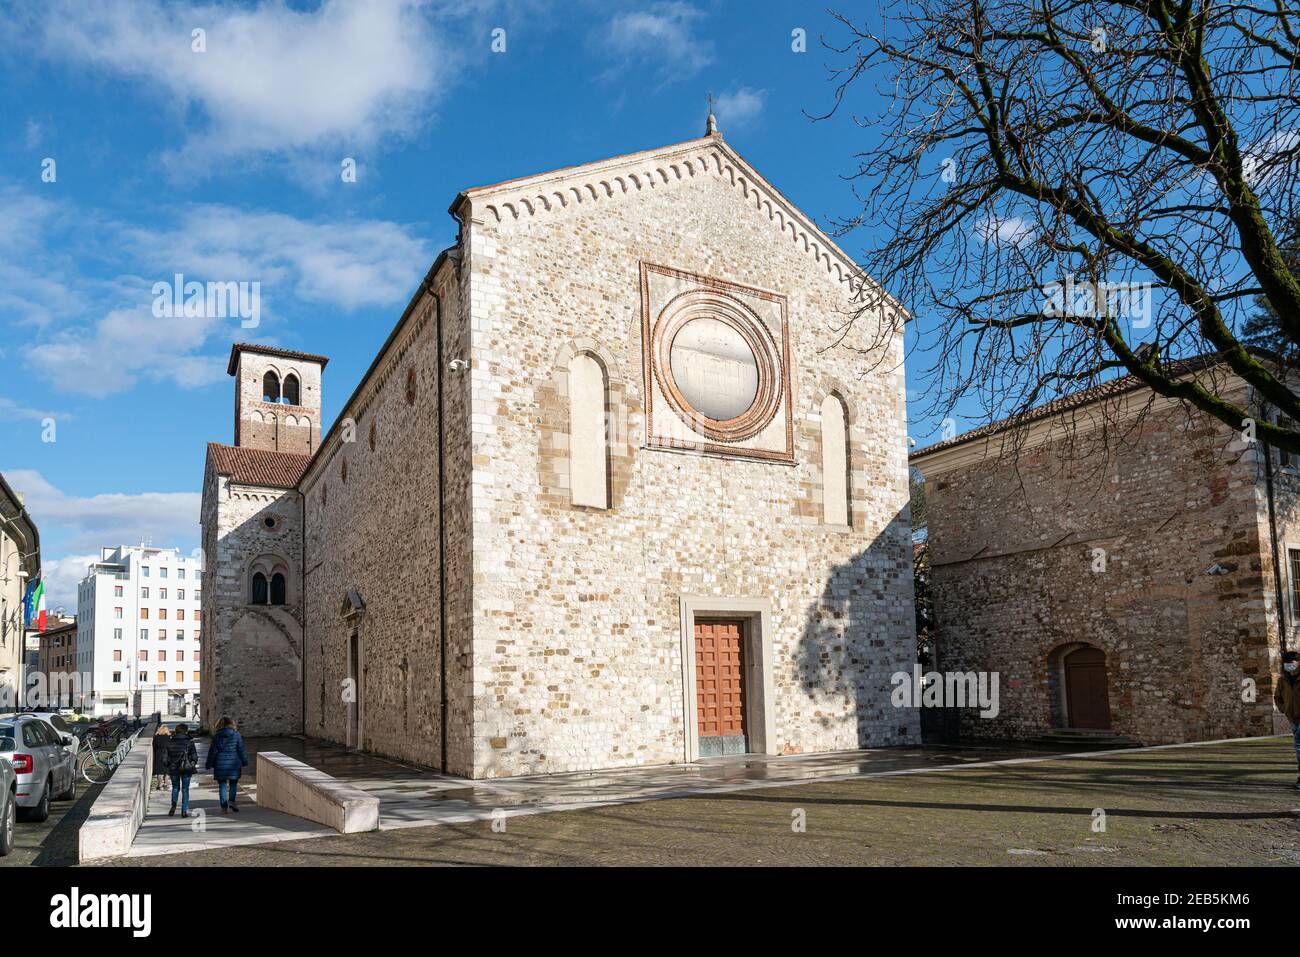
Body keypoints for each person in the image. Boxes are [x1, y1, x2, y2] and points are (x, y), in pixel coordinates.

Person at [206, 715, 248, 813]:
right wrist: (244, 761)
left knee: (222, 785)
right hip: (234, 764)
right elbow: (241, 749)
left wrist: (209, 764)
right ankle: (232, 801)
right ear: (231, 724)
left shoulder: (217, 736)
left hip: (220, 764)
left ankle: (224, 807)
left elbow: (212, 752)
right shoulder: (236, 735)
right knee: (233, 783)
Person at [1274, 650, 1300, 789]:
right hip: (1293, 719)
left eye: (1291, 663)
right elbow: (1277, 697)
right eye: (1286, 663)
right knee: (1298, 750)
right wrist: (1284, 709)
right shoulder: (1282, 680)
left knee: (1299, 748)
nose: (1288, 665)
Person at [164, 723, 199, 817]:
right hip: (186, 768)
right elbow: (194, 757)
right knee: (185, 789)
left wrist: (169, 765)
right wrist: (192, 764)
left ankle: (173, 806)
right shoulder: (190, 742)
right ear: (186, 731)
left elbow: (164, 758)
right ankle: (184, 810)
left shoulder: (170, 742)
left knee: (175, 788)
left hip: (173, 768)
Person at [151, 725, 171, 790]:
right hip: (167, 755)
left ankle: (159, 784)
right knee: (167, 771)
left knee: (159, 771)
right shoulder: (168, 738)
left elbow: (154, 746)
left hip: (158, 755)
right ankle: (166, 783)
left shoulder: (156, 738)